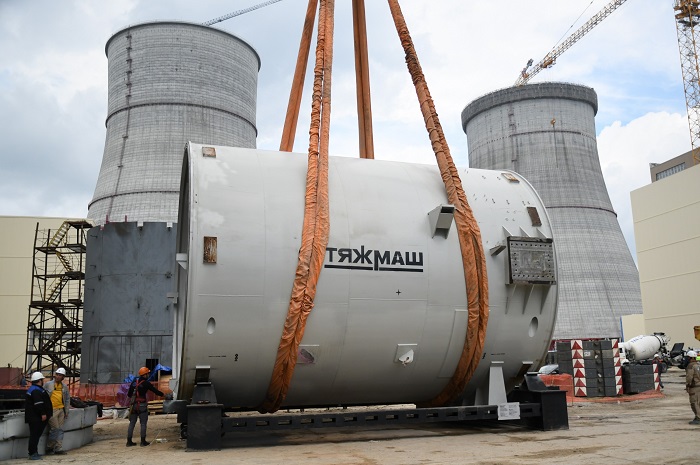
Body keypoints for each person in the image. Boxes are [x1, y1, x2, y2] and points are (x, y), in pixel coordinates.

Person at [126, 367, 164, 446]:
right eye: (148, 373)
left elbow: (129, 394)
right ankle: (143, 442)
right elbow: (155, 391)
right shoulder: (146, 383)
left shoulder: (134, 382)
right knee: (143, 423)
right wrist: (163, 395)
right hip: (142, 405)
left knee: (132, 423)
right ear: (145, 374)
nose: (149, 375)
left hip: (133, 405)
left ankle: (129, 442)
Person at [25, 371, 53, 460]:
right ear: (39, 380)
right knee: (35, 436)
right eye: (42, 379)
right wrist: (43, 414)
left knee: (35, 436)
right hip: (36, 418)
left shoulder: (34, 388)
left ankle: (34, 452)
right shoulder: (36, 390)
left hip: (35, 417)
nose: (43, 381)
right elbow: (38, 403)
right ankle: (32, 453)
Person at [44, 367, 70, 455]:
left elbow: (67, 399)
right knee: (55, 428)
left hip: (61, 410)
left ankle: (58, 448)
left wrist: (66, 411)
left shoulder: (64, 387)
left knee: (61, 429)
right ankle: (50, 447)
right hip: (52, 410)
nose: (58, 377)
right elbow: (43, 397)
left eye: (60, 375)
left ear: (63, 377)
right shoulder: (48, 385)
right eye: (57, 375)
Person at [685, 350, 700, 425]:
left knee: (694, 402)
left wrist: (687, 385)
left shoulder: (691, 366)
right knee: (698, 402)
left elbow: (689, 377)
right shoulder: (698, 365)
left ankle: (698, 417)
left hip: (694, 386)